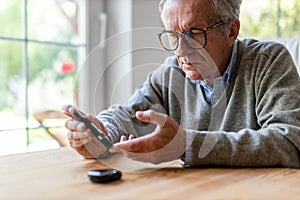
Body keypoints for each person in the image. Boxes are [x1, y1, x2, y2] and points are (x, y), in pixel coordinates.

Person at [63, 0, 300, 168]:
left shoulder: (269, 62)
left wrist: (186, 145)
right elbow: (129, 115)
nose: (180, 51)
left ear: (231, 31)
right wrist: (102, 132)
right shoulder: (171, 72)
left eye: (194, 33)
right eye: (172, 36)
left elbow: (291, 142)